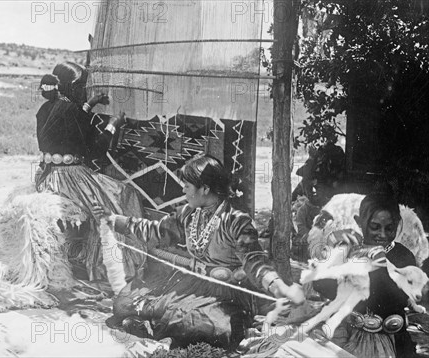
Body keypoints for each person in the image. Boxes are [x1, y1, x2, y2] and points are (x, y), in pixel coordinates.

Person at [92, 155, 305, 351]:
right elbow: (156, 231)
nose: (183, 191)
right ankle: (152, 325)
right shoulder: (187, 214)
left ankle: (155, 327)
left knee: (199, 324)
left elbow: (254, 262)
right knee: (124, 302)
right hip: (190, 283)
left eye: (186, 186)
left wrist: (280, 288)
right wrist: (115, 220)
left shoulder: (236, 221)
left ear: (204, 188)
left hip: (226, 293)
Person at [35, 62, 146, 286]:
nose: (85, 90)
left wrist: (89, 104)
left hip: (47, 175)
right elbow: (95, 149)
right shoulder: (72, 111)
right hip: (70, 178)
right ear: (72, 87)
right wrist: (113, 124)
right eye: (83, 86)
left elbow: (67, 128)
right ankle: (112, 267)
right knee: (120, 196)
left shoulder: (46, 109)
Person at [312, 192, 418, 358]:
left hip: (393, 341)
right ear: (359, 222)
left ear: (398, 224)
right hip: (350, 336)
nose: (382, 235)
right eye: (374, 227)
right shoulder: (349, 249)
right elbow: (320, 285)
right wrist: (332, 248)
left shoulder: (402, 257)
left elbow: (392, 297)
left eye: (389, 228)